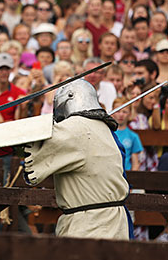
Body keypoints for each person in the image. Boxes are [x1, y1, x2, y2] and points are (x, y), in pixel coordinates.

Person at [24, 79, 132, 240]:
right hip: (116, 221)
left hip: (89, 225)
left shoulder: (74, 129)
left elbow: (29, 164)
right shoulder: (108, 131)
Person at [113, 97, 142, 171]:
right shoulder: (108, 133)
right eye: (118, 111)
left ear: (129, 114)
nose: (121, 115)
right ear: (113, 112)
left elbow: (135, 163)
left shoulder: (133, 136)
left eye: (124, 112)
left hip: (126, 174)